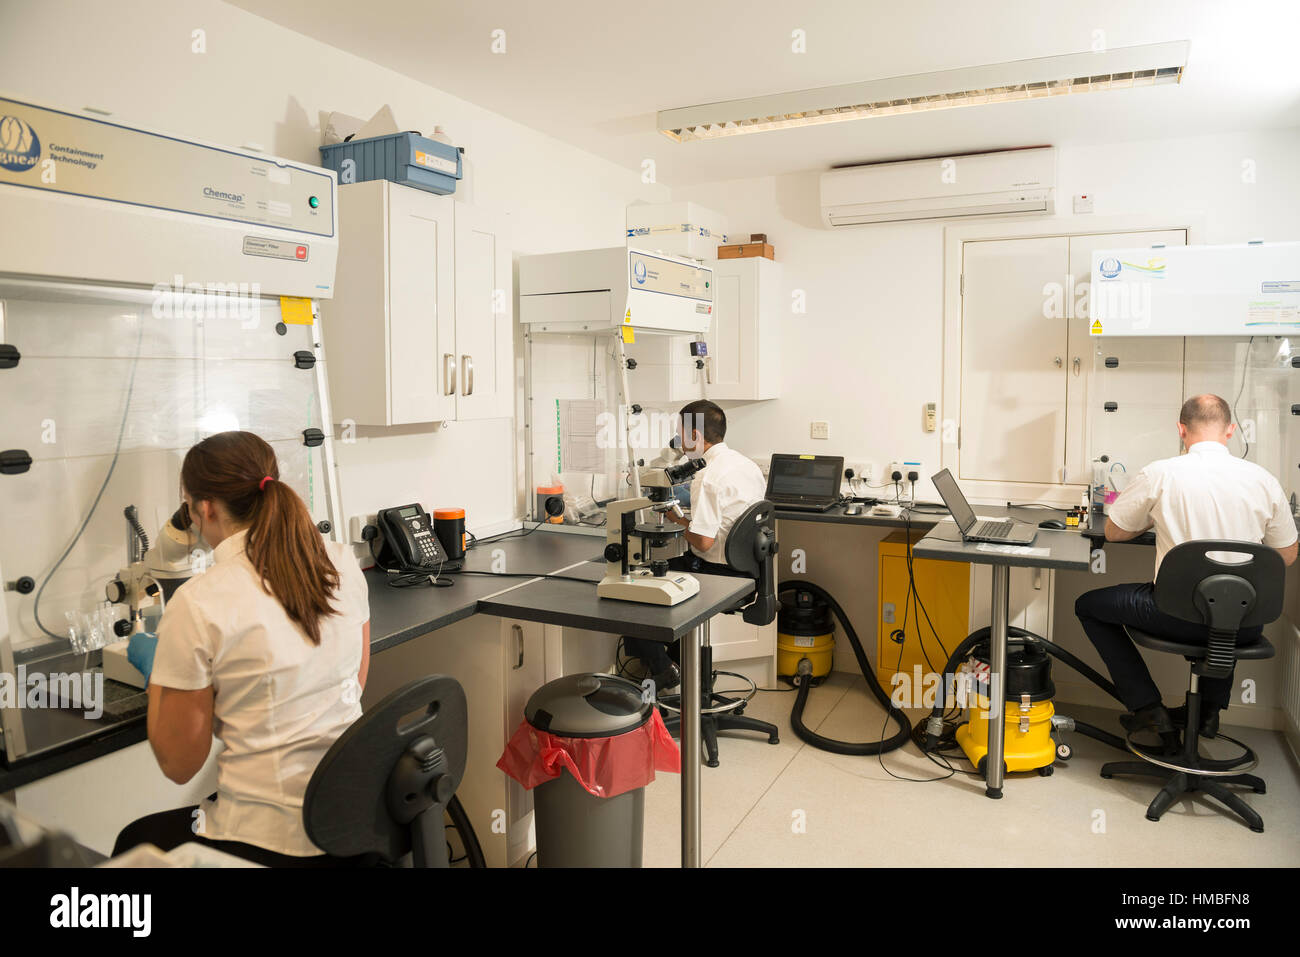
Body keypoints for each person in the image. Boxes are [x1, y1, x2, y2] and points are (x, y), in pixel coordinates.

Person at [112, 431, 371, 867]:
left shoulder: (199, 601)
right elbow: (354, 684)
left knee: (134, 841)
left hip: (273, 839)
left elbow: (179, 766)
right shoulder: (342, 560)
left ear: (205, 508)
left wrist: (161, 675)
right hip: (354, 816)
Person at [1075, 394, 1297, 749]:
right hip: (1245, 624)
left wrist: (1154, 516)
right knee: (1229, 601)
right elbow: (1285, 555)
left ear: (1181, 430)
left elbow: (1114, 532)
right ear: (1231, 431)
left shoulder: (1161, 473)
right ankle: (1208, 711)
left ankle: (1148, 708)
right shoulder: (1264, 480)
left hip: (1174, 616)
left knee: (1088, 606)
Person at [623, 400, 767, 688]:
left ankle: (664, 669)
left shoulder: (708, 476)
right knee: (659, 579)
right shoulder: (747, 465)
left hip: (717, 575)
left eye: (680, 433)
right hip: (748, 571)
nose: (679, 441)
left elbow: (702, 541)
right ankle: (681, 670)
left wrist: (678, 521)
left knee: (633, 590)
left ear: (695, 435)